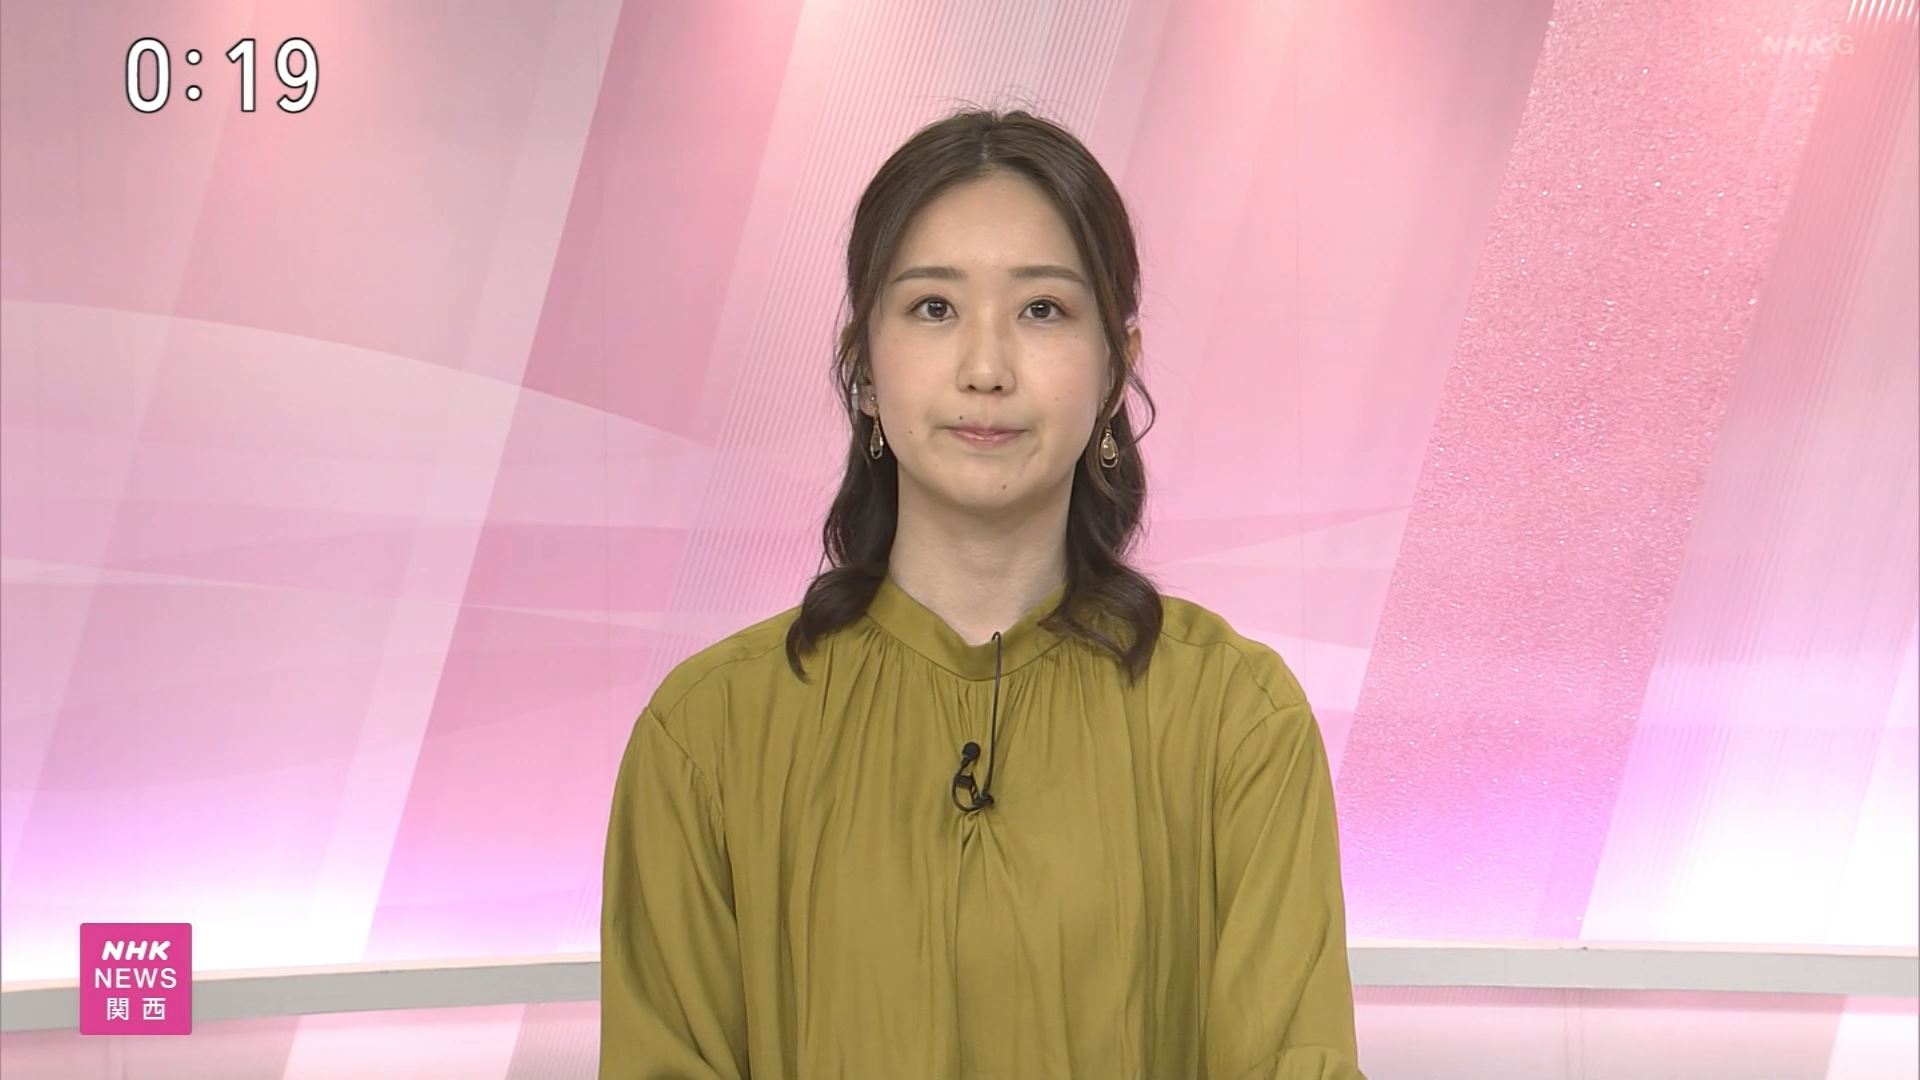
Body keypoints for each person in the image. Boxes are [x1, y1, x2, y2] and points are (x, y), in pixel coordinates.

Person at [601, 107, 1364, 1079]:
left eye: (1043, 310)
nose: (986, 369)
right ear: (863, 369)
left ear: (1115, 369)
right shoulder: (707, 733)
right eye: (933, 308)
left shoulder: (1236, 722)